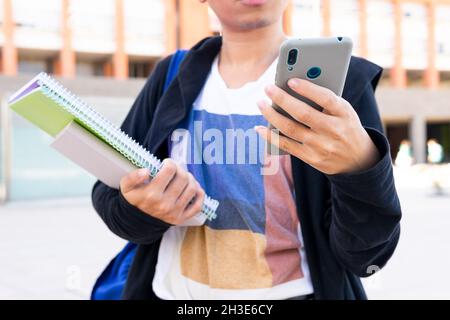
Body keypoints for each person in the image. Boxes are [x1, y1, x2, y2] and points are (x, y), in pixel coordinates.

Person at [92, 0, 401, 300]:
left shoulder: (340, 87)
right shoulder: (170, 76)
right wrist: (146, 210)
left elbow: (366, 256)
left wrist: (361, 169)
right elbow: (110, 197)